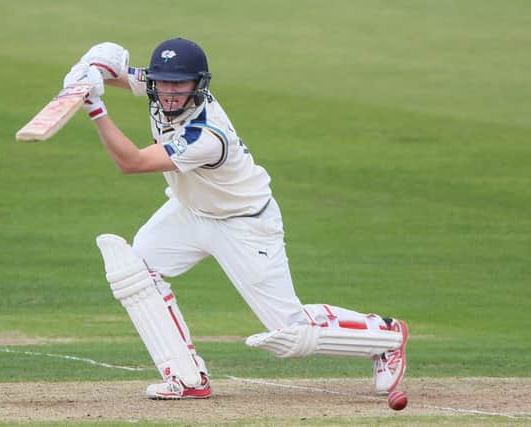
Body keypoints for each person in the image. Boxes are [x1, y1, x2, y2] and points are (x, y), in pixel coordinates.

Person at [63, 38, 408, 400]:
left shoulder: (208, 135)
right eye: (162, 83)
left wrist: (94, 107)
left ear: (198, 85)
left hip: (244, 224)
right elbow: (124, 75)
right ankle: (186, 377)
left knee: (289, 330)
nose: (169, 94)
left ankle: (385, 337)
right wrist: (91, 71)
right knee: (135, 269)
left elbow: (131, 162)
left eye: (179, 85)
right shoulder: (163, 87)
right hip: (190, 212)